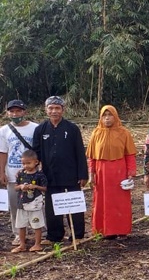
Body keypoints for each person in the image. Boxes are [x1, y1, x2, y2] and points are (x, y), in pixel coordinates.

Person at [32, 96, 89, 243]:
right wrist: (35, 173)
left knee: (74, 205)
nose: (54, 111)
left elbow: (79, 153)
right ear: (46, 110)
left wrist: (83, 175)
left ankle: (77, 235)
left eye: (57, 108)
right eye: (51, 108)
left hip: (71, 174)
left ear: (63, 110)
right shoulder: (40, 129)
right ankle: (54, 235)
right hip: (50, 175)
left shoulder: (72, 129)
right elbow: (35, 154)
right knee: (51, 206)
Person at [87, 105, 137, 240]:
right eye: (104, 115)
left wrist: (131, 173)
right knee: (102, 201)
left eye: (110, 115)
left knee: (120, 201)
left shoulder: (124, 133)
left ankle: (121, 230)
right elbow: (92, 157)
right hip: (101, 173)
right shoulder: (96, 133)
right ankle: (104, 229)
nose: (107, 118)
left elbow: (130, 155)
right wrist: (91, 175)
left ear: (115, 116)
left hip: (119, 172)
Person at [0, 99, 39, 246]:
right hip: (12, 174)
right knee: (15, 205)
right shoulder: (3, 131)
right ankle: (18, 234)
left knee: (37, 203)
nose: (15, 114)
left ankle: (40, 232)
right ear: (7, 113)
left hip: (33, 174)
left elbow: (39, 151)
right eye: (12, 111)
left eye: (18, 111)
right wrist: (2, 172)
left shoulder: (35, 128)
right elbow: (3, 153)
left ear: (25, 112)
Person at [11, 149, 48, 253]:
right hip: (22, 204)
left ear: (36, 162)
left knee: (37, 225)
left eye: (28, 163)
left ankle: (37, 244)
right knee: (21, 225)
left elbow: (45, 188)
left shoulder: (40, 175)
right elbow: (15, 187)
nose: (25, 166)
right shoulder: (21, 174)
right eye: (23, 163)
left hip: (35, 204)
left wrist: (35, 186)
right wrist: (21, 186)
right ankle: (22, 244)